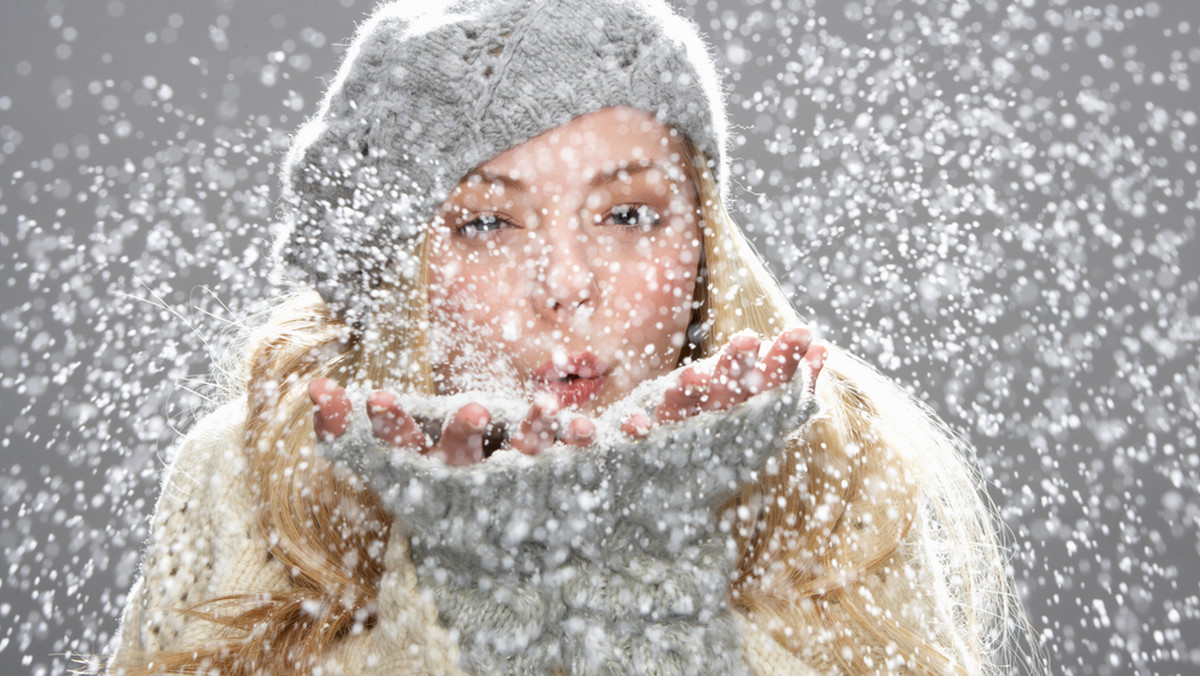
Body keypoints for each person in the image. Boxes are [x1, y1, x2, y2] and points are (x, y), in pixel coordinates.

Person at [107, 0, 1028, 674]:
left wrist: (642, 576)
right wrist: (459, 588)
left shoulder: (832, 464)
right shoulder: (249, 474)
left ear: (705, 241)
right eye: (486, 224)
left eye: (628, 214)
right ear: (396, 272)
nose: (568, 286)